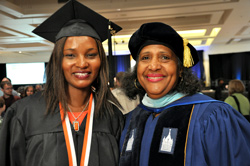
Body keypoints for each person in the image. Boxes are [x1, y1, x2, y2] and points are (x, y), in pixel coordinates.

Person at [0, 0, 124, 166]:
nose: (82, 63)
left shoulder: (112, 117)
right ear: (58, 61)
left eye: (91, 55)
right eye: (70, 55)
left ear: (101, 61)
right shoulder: (24, 114)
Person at [119, 22, 250, 166]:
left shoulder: (214, 116)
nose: (154, 66)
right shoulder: (129, 120)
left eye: (164, 57)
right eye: (145, 58)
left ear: (180, 69)